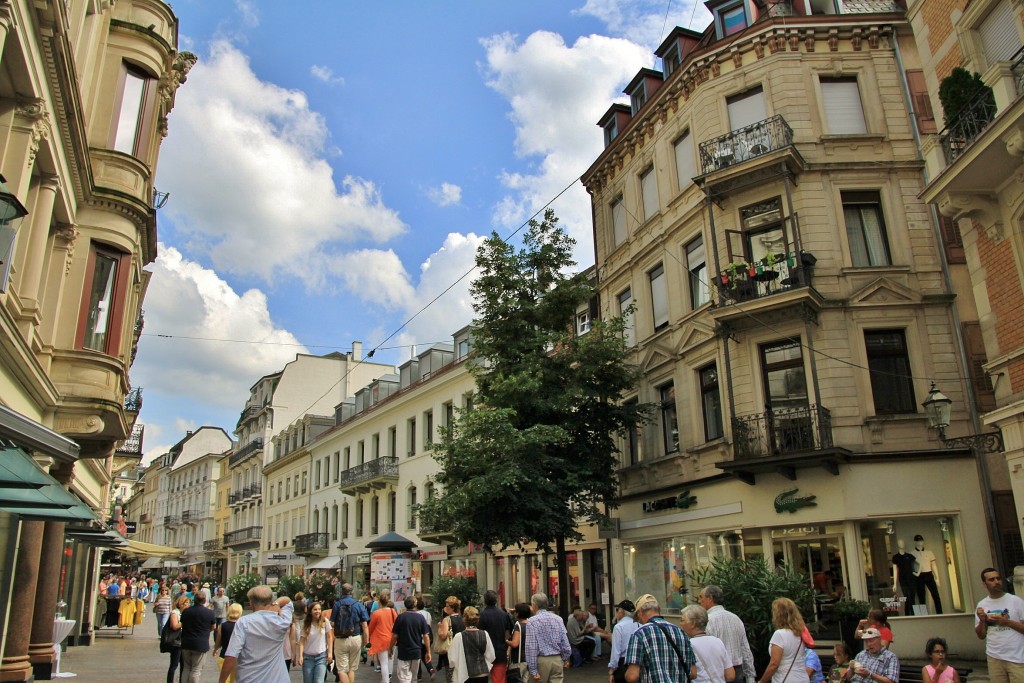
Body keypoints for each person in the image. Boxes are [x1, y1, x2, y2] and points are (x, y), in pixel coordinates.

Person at [218, 586, 294, 683]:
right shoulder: (281, 621)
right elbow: (288, 601)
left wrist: (221, 680)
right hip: (278, 679)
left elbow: (231, 656)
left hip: (250, 678)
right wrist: (277, 603)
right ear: (271, 600)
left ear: (251, 603)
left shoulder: (243, 622)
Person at [623, 593, 697, 683]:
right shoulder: (681, 633)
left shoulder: (639, 634)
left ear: (640, 613)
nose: (640, 621)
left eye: (638, 617)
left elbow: (632, 676)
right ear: (658, 611)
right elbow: (693, 673)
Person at [975, 567, 1024, 683]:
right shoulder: (982, 605)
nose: (996, 582)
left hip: (1016, 657)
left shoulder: (1015, 601)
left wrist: (1007, 622)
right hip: (994, 657)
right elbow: (981, 635)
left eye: (998, 578)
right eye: (991, 580)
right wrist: (982, 621)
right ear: (984, 584)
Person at [700, 585, 755, 683]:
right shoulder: (736, 619)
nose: (700, 601)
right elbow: (745, 649)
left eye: (701, 597)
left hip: (717, 672)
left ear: (710, 599)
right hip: (737, 670)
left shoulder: (708, 621)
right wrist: (750, 677)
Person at [757, 598, 810, 683]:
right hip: (803, 678)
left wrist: (761, 681)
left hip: (785, 679)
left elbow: (774, 665)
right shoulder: (801, 633)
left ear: (778, 615)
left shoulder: (779, 634)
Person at [680, 604, 735, 683]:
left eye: (682, 620)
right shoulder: (717, 642)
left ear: (693, 624)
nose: (680, 624)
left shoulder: (687, 645)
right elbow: (730, 676)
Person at [525, 593, 571, 683]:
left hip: (541, 660)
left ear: (534, 605)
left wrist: (533, 670)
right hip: (557, 659)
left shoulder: (532, 621)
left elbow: (531, 647)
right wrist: (565, 658)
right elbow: (565, 642)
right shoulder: (558, 619)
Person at [333, 583, 371, 683]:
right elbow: (365, 625)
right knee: (351, 668)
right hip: (355, 638)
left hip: (340, 639)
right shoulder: (358, 604)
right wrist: (365, 641)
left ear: (341, 592)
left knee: (341, 670)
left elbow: (332, 622)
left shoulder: (337, 604)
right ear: (352, 592)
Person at [392, 596, 433, 683]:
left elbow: (395, 635)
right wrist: (428, 652)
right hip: (416, 651)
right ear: (415, 604)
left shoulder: (400, 617)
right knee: (414, 677)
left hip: (403, 651)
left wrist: (390, 648)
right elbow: (426, 636)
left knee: (404, 677)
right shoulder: (421, 618)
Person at [450, 606, 495, 683]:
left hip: (465, 674)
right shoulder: (484, 634)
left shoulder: (458, 636)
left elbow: (452, 658)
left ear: (464, 619)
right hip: (482, 673)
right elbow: (491, 656)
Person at [180, 592, 217, 683]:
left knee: (186, 667)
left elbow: (182, 624)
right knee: (196, 669)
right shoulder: (209, 612)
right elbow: (214, 627)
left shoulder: (186, 611)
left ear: (194, 600)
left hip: (186, 642)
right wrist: (206, 631)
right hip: (200, 643)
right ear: (204, 600)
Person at [479, 590, 513, 683]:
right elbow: (508, 633)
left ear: (485, 601)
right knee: (499, 679)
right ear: (496, 601)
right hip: (500, 651)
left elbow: (480, 633)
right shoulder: (504, 615)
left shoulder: (481, 616)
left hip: (484, 653)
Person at [298, 601, 335, 683]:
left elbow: (329, 637)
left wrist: (330, 653)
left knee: (319, 681)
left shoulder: (324, 621)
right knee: (308, 681)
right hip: (308, 658)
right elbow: (301, 642)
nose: (317, 611)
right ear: (310, 611)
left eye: (319, 609)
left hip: (321, 657)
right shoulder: (306, 623)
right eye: (315, 609)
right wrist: (300, 656)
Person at [369, 595, 399, 683]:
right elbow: (397, 624)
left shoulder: (376, 613)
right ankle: (387, 678)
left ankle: (385, 681)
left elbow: (371, 627)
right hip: (392, 639)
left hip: (380, 640)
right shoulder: (393, 611)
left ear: (379, 603)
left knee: (383, 662)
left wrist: (368, 638)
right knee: (390, 659)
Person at [608, 599, 639, 683]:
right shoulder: (639, 625)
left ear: (622, 612)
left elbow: (616, 651)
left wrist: (612, 670)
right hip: (637, 663)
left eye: (617, 610)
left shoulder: (619, 627)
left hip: (623, 664)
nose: (617, 613)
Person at [438, 596, 467, 683]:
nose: (446, 608)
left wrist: (439, 627)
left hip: (450, 651)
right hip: (462, 650)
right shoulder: (463, 618)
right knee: (461, 675)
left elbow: (443, 635)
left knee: (451, 676)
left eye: (447, 606)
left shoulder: (447, 619)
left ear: (452, 608)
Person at [912, 535, 943, 614]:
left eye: (921, 541)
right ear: (915, 542)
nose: (919, 542)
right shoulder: (912, 554)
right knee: (921, 596)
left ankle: (940, 613)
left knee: (935, 595)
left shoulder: (929, 552)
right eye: (918, 541)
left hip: (929, 574)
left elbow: (933, 565)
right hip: (919, 576)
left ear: (923, 541)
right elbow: (911, 567)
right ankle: (923, 615)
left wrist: (937, 578)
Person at [214, 603, 243, 683]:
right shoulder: (242, 626)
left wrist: (215, 649)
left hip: (224, 656)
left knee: (225, 680)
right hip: (238, 658)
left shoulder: (223, 625)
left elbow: (218, 641)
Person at [166, 594, 191, 683]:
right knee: (174, 664)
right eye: (186, 603)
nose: (188, 605)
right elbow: (175, 626)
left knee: (184, 665)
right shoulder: (175, 612)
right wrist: (185, 622)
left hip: (183, 641)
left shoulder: (186, 613)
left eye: (189, 603)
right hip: (176, 642)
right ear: (181, 604)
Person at [891, 541, 917, 616]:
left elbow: (919, 563)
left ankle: (912, 614)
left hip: (911, 579)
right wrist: (895, 584)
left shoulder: (909, 556)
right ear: (898, 545)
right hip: (903, 580)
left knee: (912, 597)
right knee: (907, 597)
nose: (902, 544)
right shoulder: (896, 557)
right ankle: (908, 614)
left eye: (903, 542)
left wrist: (917, 573)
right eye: (900, 543)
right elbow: (895, 570)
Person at [508, 602, 531, 683]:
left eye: (515, 611)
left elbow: (515, 643)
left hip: (519, 660)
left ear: (518, 614)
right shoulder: (531, 624)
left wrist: (506, 641)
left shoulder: (518, 626)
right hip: (530, 659)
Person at [415, 596, 436, 679]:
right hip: (428, 636)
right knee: (426, 654)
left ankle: (419, 675)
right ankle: (430, 669)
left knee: (418, 656)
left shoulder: (416, 614)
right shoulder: (428, 614)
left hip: (419, 637)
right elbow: (429, 625)